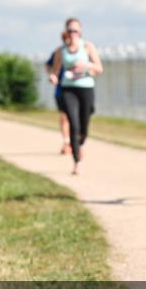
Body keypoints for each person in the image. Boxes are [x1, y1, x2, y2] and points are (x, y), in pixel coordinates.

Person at [48, 18, 103, 175]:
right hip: (68, 89)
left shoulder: (87, 47)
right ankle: (76, 162)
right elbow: (55, 69)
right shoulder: (61, 51)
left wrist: (87, 66)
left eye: (76, 31)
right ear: (66, 32)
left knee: (84, 126)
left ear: (80, 32)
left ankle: (80, 144)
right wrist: (53, 77)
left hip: (86, 88)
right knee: (73, 122)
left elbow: (99, 68)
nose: (73, 34)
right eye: (70, 31)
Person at [45, 31, 71, 154]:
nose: (67, 40)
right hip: (61, 89)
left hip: (77, 89)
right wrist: (52, 74)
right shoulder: (59, 52)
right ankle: (66, 143)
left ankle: (74, 142)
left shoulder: (80, 51)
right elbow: (48, 65)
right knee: (64, 116)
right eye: (65, 38)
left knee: (75, 118)